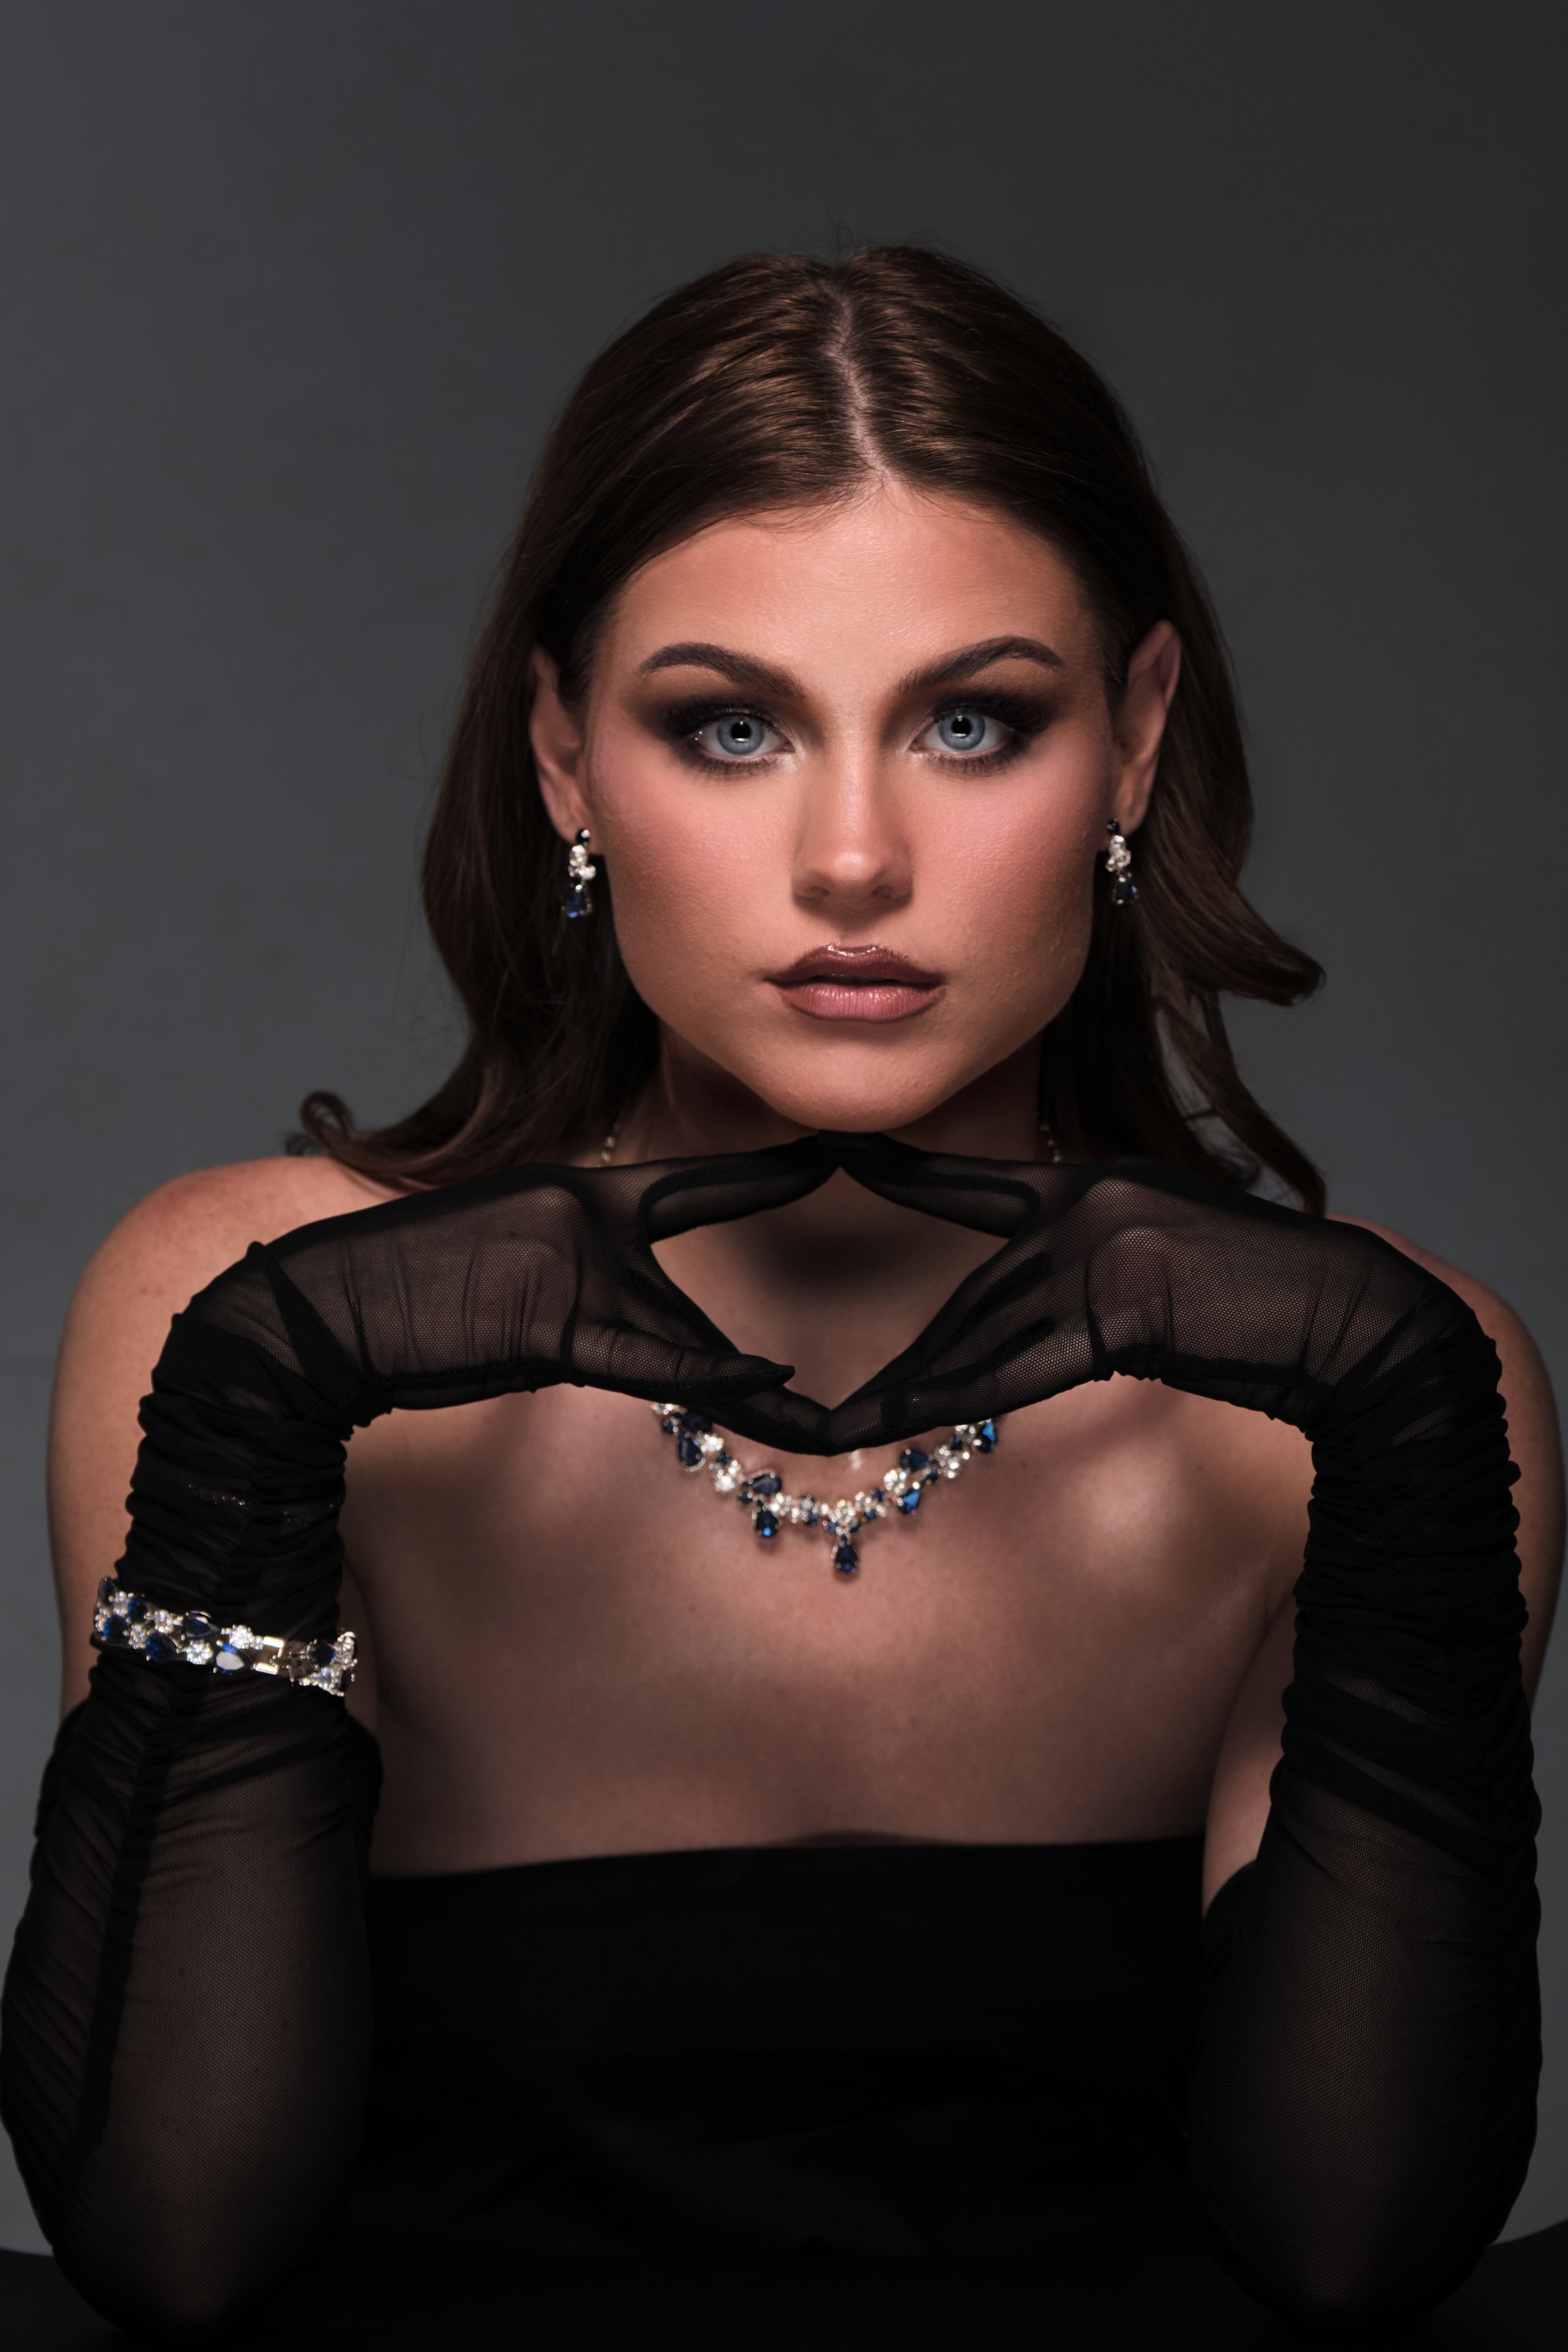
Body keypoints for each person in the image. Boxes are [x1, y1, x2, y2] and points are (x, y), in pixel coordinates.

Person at [2, 247, 1561, 2349]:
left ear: (1133, 743)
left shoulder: (1359, 1380)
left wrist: (1399, 1422)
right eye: (728, 726)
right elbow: (174, 2240)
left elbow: (1354, 2249)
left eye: (972, 722)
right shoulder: (244, 1298)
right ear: (563, 756)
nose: (850, 856)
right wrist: (258, 1412)